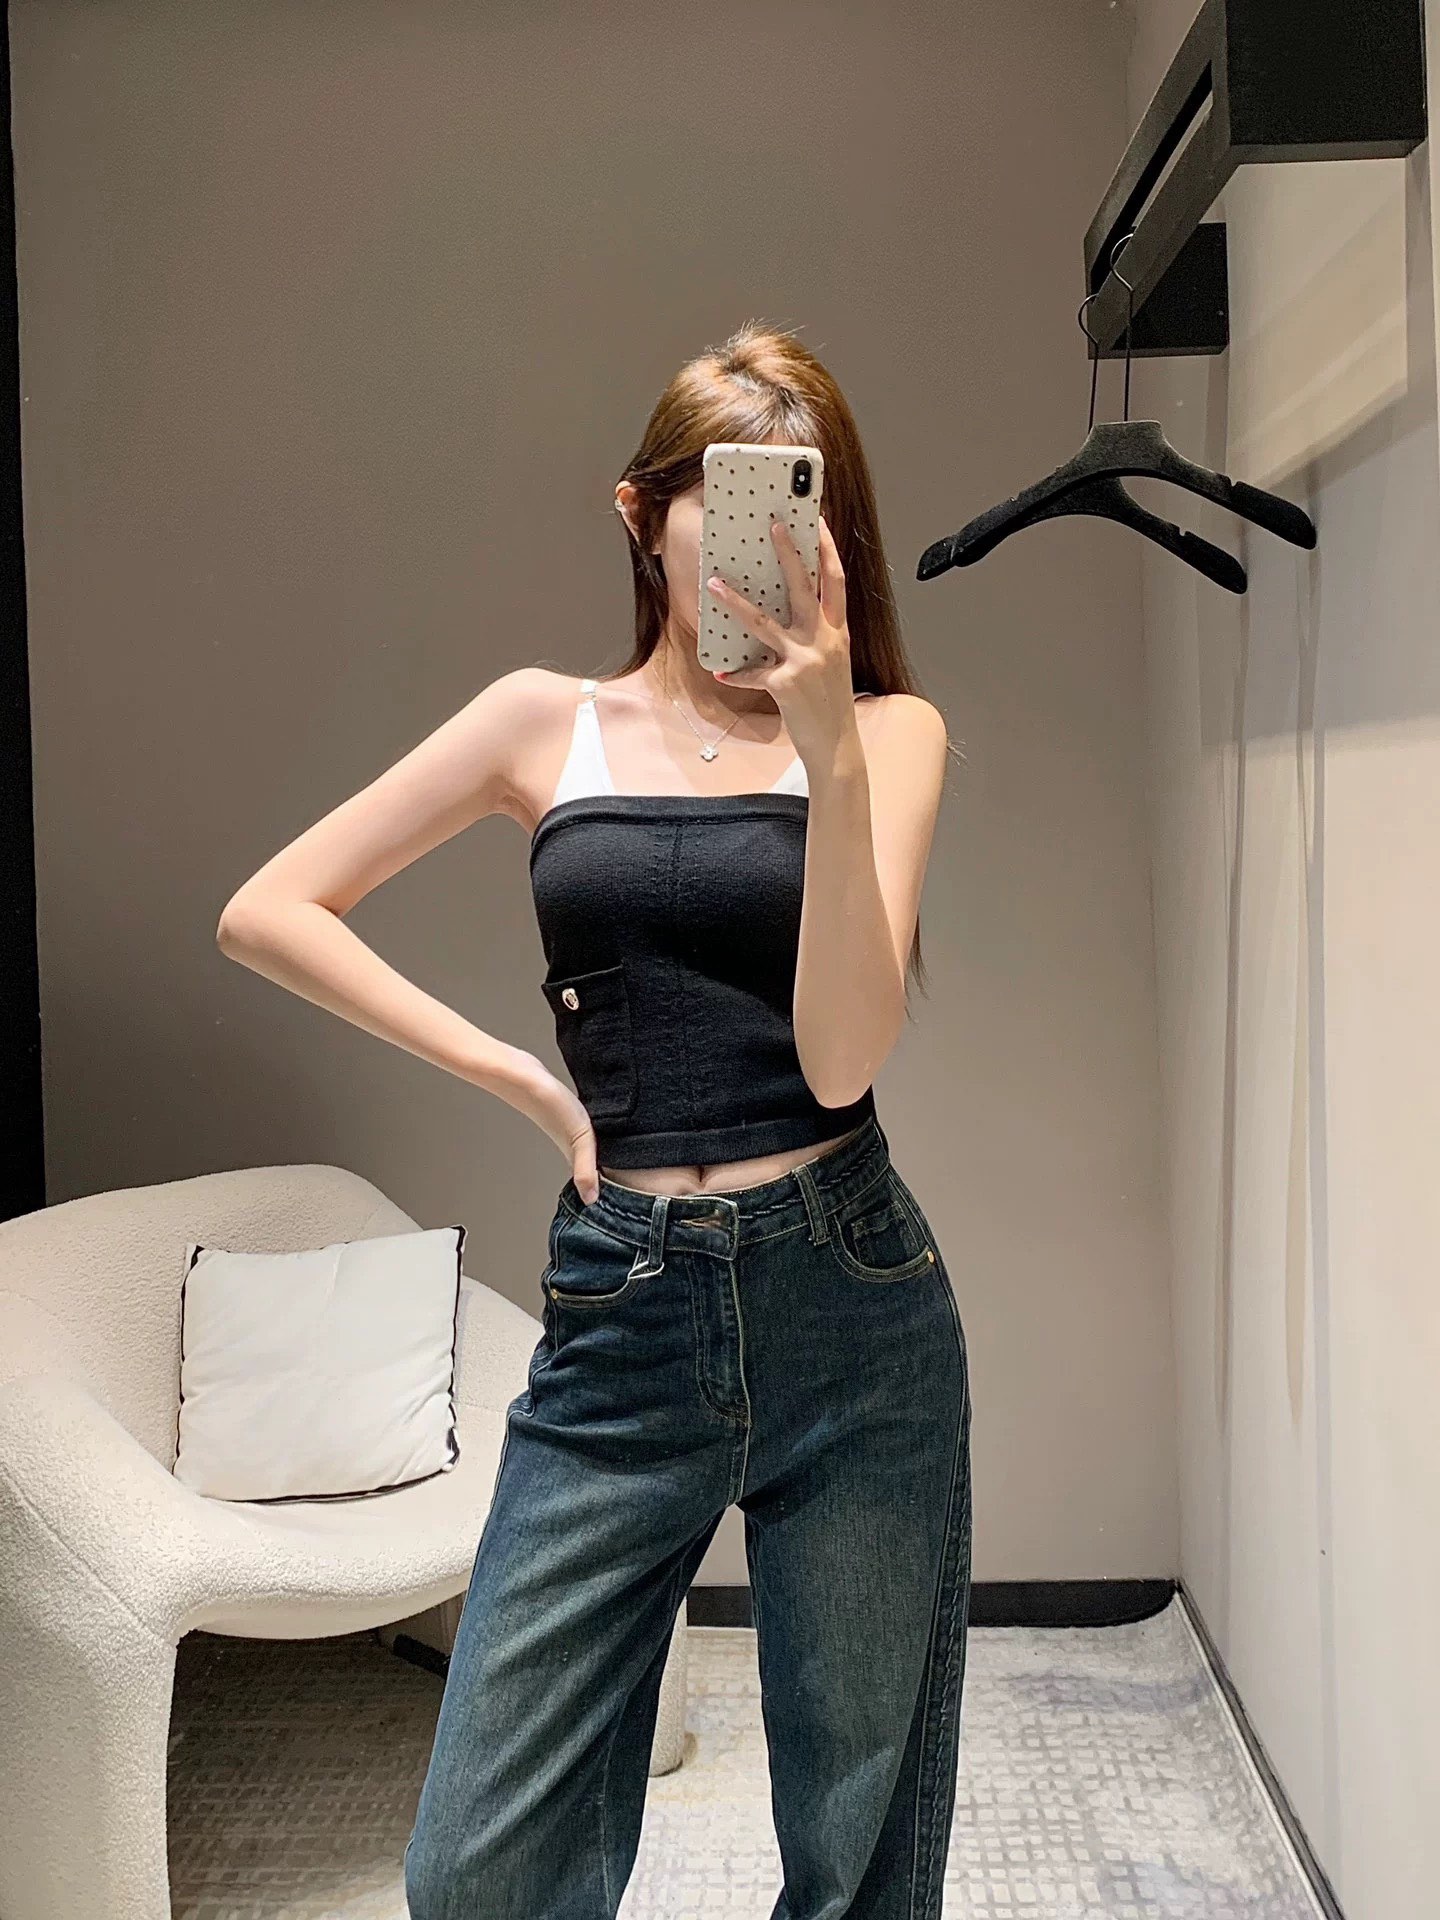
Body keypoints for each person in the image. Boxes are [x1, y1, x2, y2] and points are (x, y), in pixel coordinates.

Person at [217, 320, 972, 1920]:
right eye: (738, 505)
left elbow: (843, 1059)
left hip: (851, 1300)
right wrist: (516, 1074)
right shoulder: (535, 722)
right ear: (644, 515)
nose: (776, 550)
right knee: (476, 1872)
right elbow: (269, 909)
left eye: (810, 510)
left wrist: (830, 756)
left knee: (857, 1860)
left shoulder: (891, 738)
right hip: (625, 1307)